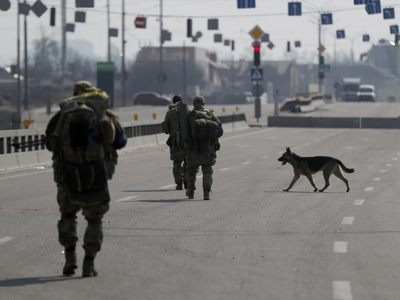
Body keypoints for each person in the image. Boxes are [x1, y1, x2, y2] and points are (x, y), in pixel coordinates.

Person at [45, 81, 127, 277]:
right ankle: (89, 264)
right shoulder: (102, 114)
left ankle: (70, 258)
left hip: (67, 176)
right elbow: (120, 141)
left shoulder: (61, 115)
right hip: (95, 175)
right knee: (94, 220)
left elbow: (50, 144)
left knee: (67, 217)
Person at [184, 95, 223, 200]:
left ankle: (191, 192)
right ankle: (206, 193)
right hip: (208, 148)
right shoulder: (210, 114)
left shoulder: (188, 116)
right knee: (207, 170)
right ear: (203, 104)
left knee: (191, 170)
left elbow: (182, 132)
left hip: (192, 148)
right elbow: (220, 129)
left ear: (193, 104)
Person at [162, 95, 188, 190]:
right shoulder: (187, 112)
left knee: (176, 163)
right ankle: (187, 180)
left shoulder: (170, 113)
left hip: (174, 141)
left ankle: (178, 183)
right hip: (185, 141)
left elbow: (166, 130)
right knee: (187, 162)